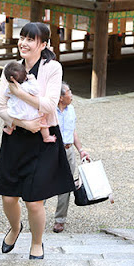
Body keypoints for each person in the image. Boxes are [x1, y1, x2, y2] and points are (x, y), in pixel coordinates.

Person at [0, 22, 74, 259]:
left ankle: (37, 242)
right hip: (16, 135)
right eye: (22, 38)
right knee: (9, 197)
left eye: (30, 39)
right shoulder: (11, 68)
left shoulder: (53, 68)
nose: (24, 43)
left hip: (44, 138)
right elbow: (0, 107)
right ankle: (15, 227)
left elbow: (51, 104)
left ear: (43, 44)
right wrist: (23, 123)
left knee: (34, 201)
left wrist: (19, 94)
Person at [53, 82, 90, 233]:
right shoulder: (51, 111)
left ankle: (60, 220)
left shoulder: (72, 109)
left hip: (68, 150)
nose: (72, 94)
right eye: (69, 92)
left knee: (66, 185)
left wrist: (81, 150)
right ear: (61, 97)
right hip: (52, 151)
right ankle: (37, 215)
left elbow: (73, 132)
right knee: (43, 183)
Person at [2, 61, 55, 143]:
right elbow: (36, 90)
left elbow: (6, 94)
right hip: (30, 114)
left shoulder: (10, 88)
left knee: (9, 117)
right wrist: (32, 78)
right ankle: (46, 137)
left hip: (15, 113)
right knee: (43, 121)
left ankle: (9, 129)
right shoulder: (28, 86)